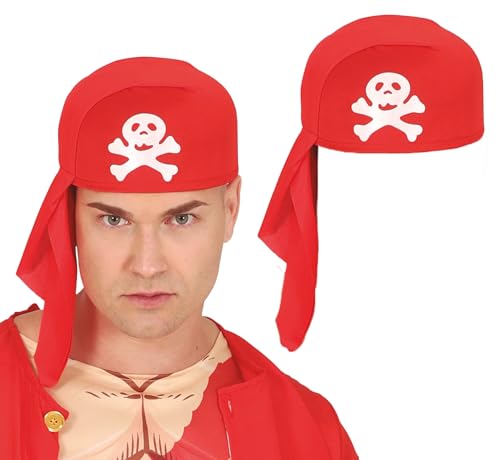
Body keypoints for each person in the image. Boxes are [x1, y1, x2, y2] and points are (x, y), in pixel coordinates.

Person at [0, 57, 357, 459]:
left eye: (181, 219)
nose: (147, 265)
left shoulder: (307, 431)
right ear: (67, 216)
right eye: (114, 220)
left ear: (231, 209)